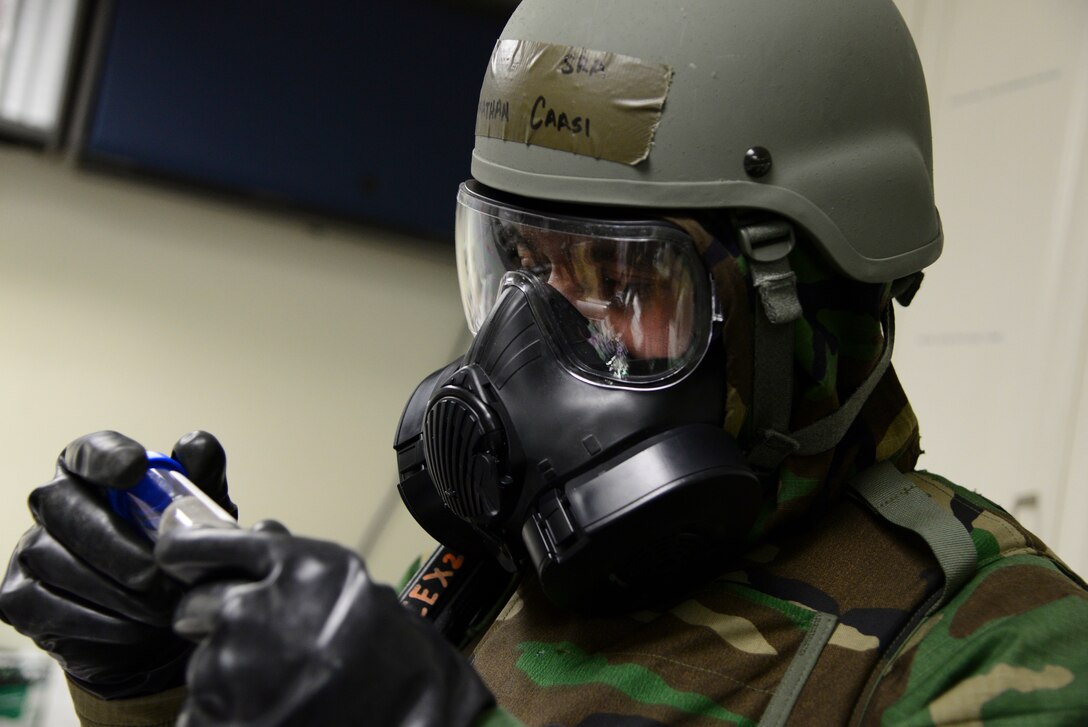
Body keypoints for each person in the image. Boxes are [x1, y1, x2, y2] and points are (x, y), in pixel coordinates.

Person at [2, 0, 1087, 725]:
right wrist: (151, 679)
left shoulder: (990, 651)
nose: (525, 356)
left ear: (798, 302)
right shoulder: (501, 567)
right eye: (519, 267)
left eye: (619, 283)